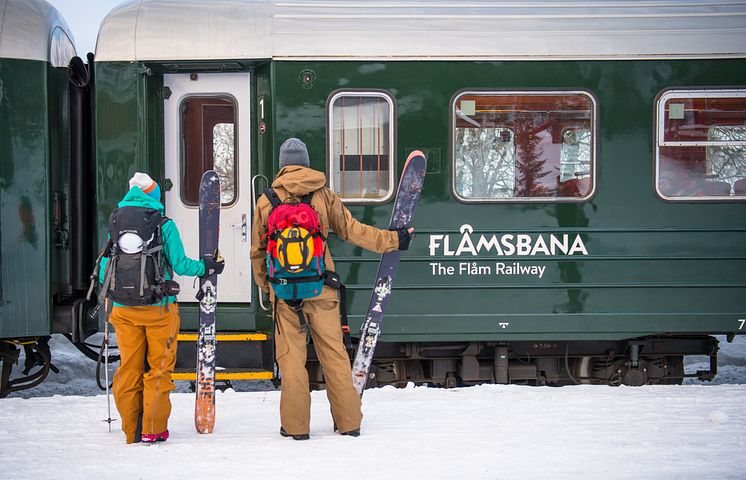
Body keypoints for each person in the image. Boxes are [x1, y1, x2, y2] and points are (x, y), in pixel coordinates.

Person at [250, 138, 413, 440]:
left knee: (292, 361)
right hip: (322, 288)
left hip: (285, 295)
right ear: (306, 161)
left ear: (283, 164)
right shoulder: (323, 194)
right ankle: (349, 422)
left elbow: (258, 253)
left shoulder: (266, 199)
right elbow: (353, 231)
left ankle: (296, 428)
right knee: (335, 357)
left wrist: (269, 287)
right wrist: (394, 240)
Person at [101, 172, 225, 444]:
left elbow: (103, 272)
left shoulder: (115, 221)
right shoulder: (163, 223)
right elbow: (180, 265)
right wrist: (207, 267)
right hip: (159, 310)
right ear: (154, 196)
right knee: (158, 370)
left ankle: (130, 430)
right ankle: (153, 429)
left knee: (128, 369)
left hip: (122, 310)